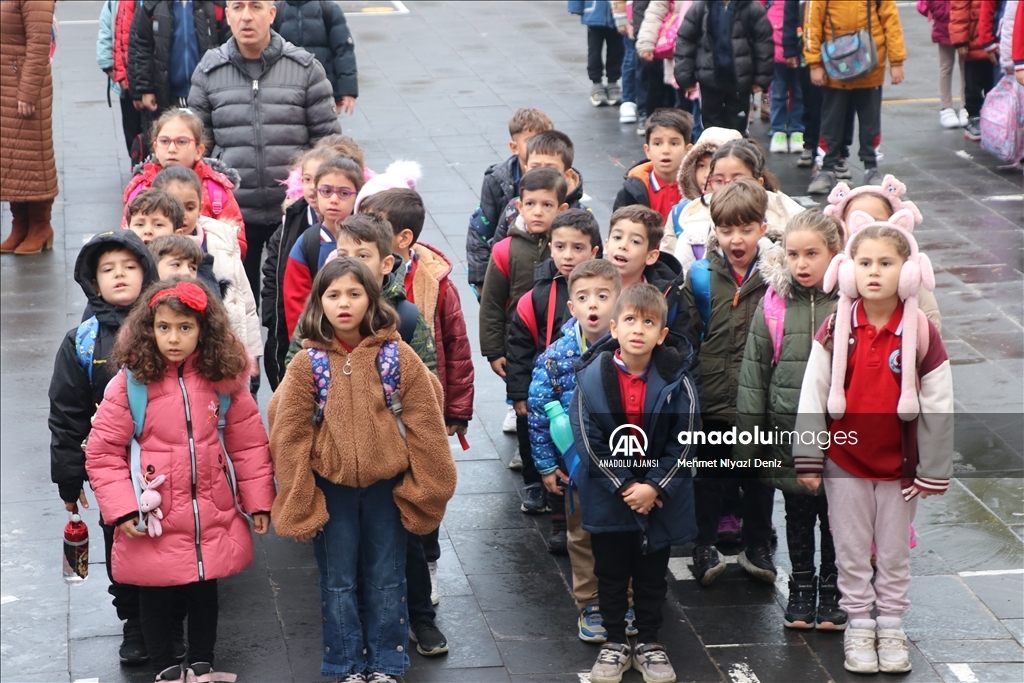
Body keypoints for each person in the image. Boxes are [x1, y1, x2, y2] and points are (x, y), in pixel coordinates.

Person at [268, 257, 457, 683]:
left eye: (355, 293)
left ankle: (387, 664)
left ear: (372, 299)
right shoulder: (307, 363)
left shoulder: (397, 357)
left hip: (386, 487)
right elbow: (288, 434)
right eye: (333, 295)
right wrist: (300, 497)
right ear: (319, 303)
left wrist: (424, 490)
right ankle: (346, 663)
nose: (344, 303)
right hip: (330, 488)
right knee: (337, 580)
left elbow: (427, 425)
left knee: (388, 577)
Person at [85, 278, 276, 682]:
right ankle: (167, 670)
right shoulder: (131, 382)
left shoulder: (222, 377)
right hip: (154, 511)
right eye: (165, 327)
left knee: (205, 589)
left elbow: (248, 442)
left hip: (210, 507)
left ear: (204, 330)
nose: (174, 338)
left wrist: (258, 500)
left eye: (185, 328)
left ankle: (203, 665)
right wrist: (121, 509)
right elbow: (103, 452)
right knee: (153, 592)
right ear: (148, 329)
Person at [794, 211, 952, 675]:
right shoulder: (835, 328)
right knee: (850, 547)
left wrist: (933, 467)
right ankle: (860, 625)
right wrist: (809, 455)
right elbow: (813, 392)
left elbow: (940, 400)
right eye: (864, 263)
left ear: (907, 272)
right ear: (847, 270)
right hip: (844, 462)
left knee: (894, 550)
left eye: (886, 263)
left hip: (900, 467)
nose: (874, 272)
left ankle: (893, 624)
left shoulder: (921, 330)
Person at [360, 186, 474, 634]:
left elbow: (455, 345)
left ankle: (426, 569)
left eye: (376, 224)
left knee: (421, 494)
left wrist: (457, 408)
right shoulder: (349, 283)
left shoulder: (432, 281)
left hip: (417, 412)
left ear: (401, 241)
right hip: (370, 416)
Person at [571, 284, 698, 683]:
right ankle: (613, 641)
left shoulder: (678, 381)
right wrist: (625, 485)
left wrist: (656, 486)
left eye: (648, 322)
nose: (638, 329)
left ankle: (648, 640)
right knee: (609, 571)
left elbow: (689, 436)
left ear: (662, 333)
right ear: (614, 328)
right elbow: (587, 439)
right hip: (610, 496)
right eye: (630, 320)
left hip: (659, 498)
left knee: (651, 573)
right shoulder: (590, 379)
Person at [48, 231, 158, 666]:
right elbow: (67, 413)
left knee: (174, 537)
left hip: (166, 460)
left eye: (129, 267)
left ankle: (170, 617)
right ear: (92, 281)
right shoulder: (82, 341)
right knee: (122, 543)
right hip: (111, 468)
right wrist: (69, 477)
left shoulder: (165, 325)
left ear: (146, 273)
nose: (119, 275)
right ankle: (133, 622)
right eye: (107, 269)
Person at [735, 210, 848, 630]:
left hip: (839, 437)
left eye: (812, 254)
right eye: (793, 254)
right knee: (798, 514)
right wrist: (748, 444)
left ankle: (833, 590)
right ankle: (801, 588)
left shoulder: (849, 303)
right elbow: (754, 375)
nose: (802, 264)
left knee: (837, 518)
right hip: (786, 437)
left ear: (834, 253)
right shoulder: (775, 303)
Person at [188, 0, 341, 299]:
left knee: (291, 303)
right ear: (227, 15)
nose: (247, 16)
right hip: (233, 215)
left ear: (272, 14)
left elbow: (328, 146)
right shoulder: (209, 70)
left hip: (294, 213)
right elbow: (197, 147)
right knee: (237, 304)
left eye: (256, 6)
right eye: (238, 7)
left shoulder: (305, 68)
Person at [683, 178, 781, 588]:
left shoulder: (779, 275)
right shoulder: (701, 276)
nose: (736, 239)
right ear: (714, 230)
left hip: (760, 397)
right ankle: (703, 544)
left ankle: (757, 542)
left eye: (745, 228)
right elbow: (689, 336)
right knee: (708, 476)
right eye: (726, 230)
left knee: (760, 475)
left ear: (763, 226)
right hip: (713, 395)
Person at [528, 258, 625, 642]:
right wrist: (547, 464)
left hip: (622, 464)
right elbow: (538, 410)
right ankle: (591, 605)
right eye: (583, 297)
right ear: (572, 307)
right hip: (578, 469)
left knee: (626, 535)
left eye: (603, 296)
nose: (593, 305)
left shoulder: (629, 349)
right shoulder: (556, 356)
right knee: (581, 537)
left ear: (618, 301)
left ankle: (626, 599)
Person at [506, 209, 602, 546]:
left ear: (594, 251)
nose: (568, 255)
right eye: (560, 246)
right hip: (552, 389)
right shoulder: (539, 294)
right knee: (558, 457)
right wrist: (518, 391)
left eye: (577, 248)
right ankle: (561, 521)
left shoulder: (605, 290)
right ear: (549, 247)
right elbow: (519, 344)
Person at [479, 167, 568, 508]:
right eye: (530, 203)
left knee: (561, 414)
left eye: (547, 205)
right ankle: (534, 481)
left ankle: (561, 474)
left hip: (560, 347)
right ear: (518, 206)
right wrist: (492, 349)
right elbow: (491, 304)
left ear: (561, 208)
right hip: (522, 349)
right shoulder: (505, 250)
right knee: (526, 413)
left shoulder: (568, 245)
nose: (537, 211)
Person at [152, 166, 263, 377]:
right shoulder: (150, 247)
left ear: (201, 206)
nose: (182, 215)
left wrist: (251, 356)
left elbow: (244, 303)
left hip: (217, 354)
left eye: (190, 207)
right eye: (174, 206)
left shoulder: (222, 240)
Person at [804, 0, 906, 194]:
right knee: (831, 122)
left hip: (870, 66)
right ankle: (826, 169)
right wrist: (814, 63)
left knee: (870, 121)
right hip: (834, 66)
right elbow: (812, 23)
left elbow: (891, 21)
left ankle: (871, 167)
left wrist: (897, 60)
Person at [822, 174, 942, 331]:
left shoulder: (910, 274)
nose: (868, 229)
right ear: (843, 227)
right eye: (858, 221)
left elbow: (930, 322)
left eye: (877, 221)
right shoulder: (834, 271)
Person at [122, 108, 247, 256]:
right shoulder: (142, 189)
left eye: (181, 142)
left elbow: (237, 243)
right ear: (155, 147)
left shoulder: (216, 190)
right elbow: (126, 239)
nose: (172, 149)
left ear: (199, 150)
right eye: (164, 141)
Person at [673, 138, 800, 272]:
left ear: (759, 182)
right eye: (719, 180)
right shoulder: (693, 228)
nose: (728, 188)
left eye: (738, 180)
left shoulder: (791, 223)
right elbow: (679, 285)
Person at [603, 205, 700, 381]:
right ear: (606, 245)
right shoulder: (588, 288)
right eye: (617, 237)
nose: (623, 245)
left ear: (651, 256)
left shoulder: (669, 297)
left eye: (635, 241)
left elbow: (686, 355)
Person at [466, 107, 554, 300]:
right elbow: (480, 232)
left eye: (544, 140)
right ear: (514, 147)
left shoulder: (560, 179)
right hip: (509, 270)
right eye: (532, 142)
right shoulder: (497, 180)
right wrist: (483, 284)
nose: (539, 149)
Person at [282, 156, 364, 340]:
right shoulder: (307, 244)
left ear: (357, 195)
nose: (334, 200)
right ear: (316, 193)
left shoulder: (368, 241)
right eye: (326, 191)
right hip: (320, 340)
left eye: (344, 193)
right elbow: (296, 305)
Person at [0, 0, 58, 255]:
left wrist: (28, 91)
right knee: (12, 158)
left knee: (34, 158)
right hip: (6, 84)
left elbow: (38, 45)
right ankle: (20, 224)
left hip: (22, 85)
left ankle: (40, 226)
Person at [673, 0, 773, 133]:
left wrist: (761, 79)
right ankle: (714, 152)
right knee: (711, 126)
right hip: (709, 80)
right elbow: (685, 41)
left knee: (737, 126)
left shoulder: (752, 8)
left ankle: (736, 151)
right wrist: (685, 77)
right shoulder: (701, 7)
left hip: (740, 80)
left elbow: (763, 44)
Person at [128, 1, 230, 114]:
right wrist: (145, 89)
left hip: (207, 94)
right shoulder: (152, 5)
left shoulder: (216, 6)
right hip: (165, 94)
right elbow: (142, 45)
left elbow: (228, 47)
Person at [491, 130, 587, 246]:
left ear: (567, 175)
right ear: (526, 170)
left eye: (551, 168)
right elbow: (498, 251)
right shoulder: (513, 209)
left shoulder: (580, 215)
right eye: (535, 167)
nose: (542, 173)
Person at [661, 126, 743, 254]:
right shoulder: (680, 213)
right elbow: (669, 263)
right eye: (701, 166)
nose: (707, 174)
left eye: (714, 166)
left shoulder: (766, 208)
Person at [272, 0, 358, 115]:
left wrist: (347, 90)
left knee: (323, 130)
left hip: (322, 91)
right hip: (287, 92)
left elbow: (343, 50)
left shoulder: (328, 9)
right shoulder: (277, 11)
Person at [613, 109, 695, 221]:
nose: (665, 150)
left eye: (674, 143)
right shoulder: (632, 192)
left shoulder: (698, 187)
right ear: (647, 150)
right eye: (657, 143)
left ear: (688, 150)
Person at [97, 0, 144, 159]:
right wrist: (112, 69)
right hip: (127, 82)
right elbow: (106, 33)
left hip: (146, 77)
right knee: (132, 128)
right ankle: (136, 162)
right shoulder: (114, 4)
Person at [919, 0, 968, 129]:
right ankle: (946, 107)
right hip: (946, 27)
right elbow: (924, 5)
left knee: (965, 67)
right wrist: (941, 12)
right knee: (947, 66)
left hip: (963, 27)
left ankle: (965, 105)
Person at [569, 0, 625, 107]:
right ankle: (596, 82)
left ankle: (613, 81)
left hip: (618, 12)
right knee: (594, 51)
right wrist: (575, 6)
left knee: (617, 50)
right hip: (594, 12)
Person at [766, 0, 804, 154]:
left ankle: (798, 129)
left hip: (800, 48)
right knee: (778, 93)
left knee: (799, 93)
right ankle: (778, 129)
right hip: (776, 51)